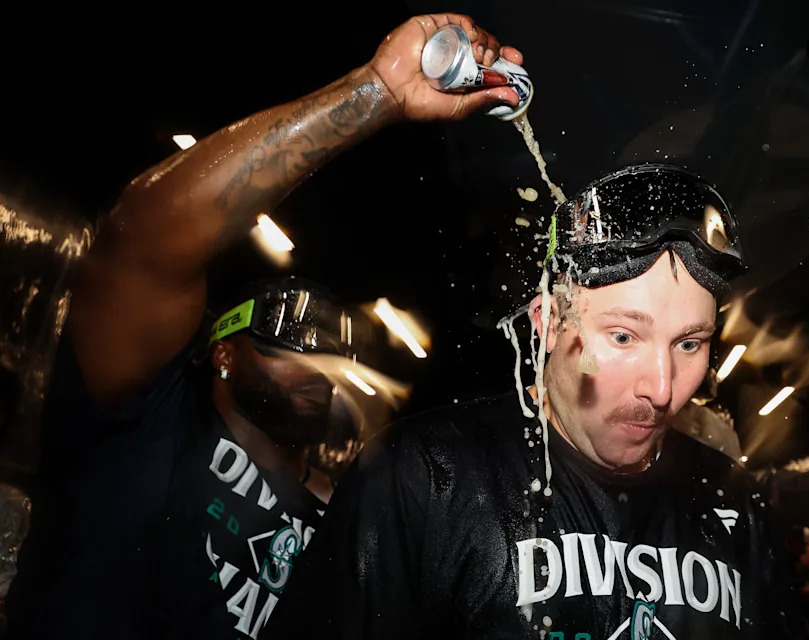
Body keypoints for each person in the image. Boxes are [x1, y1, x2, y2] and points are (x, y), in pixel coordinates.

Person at [5, 13, 523, 640]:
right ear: (224, 351)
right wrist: (378, 92)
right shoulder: (148, 423)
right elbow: (143, 235)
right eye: (291, 333)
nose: (318, 360)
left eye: (333, 343)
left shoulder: (349, 518)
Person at [286, 164, 808, 639]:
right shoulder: (424, 475)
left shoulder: (735, 502)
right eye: (623, 336)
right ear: (549, 323)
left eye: (689, 344)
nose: (662, 388)